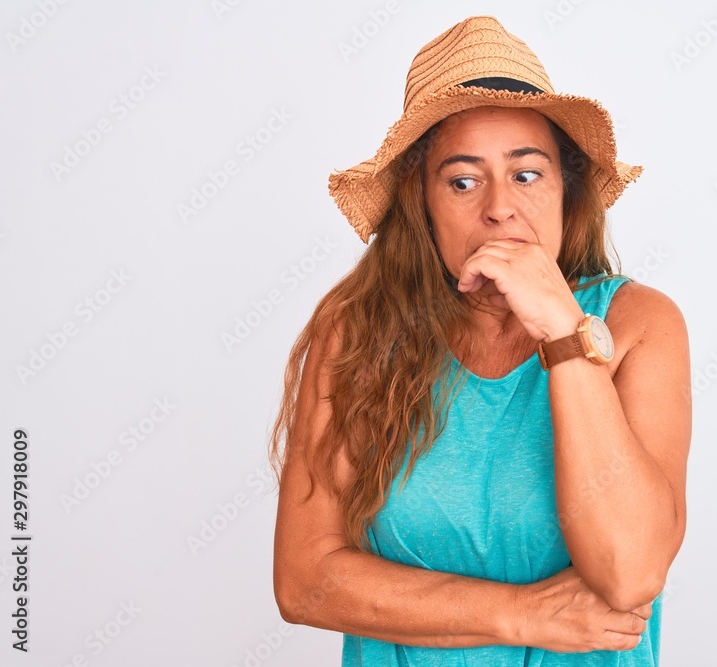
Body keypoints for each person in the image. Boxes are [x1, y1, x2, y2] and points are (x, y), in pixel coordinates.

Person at [269, 14, 691, 666]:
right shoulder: (355, 333)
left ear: (564, 192)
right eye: (463, 181)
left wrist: (562, 330)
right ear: (423, 205)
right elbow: (305, 581)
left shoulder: (642, 324)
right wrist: (523, 614)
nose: (499, 207)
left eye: (527, 174)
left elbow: (631, 572)